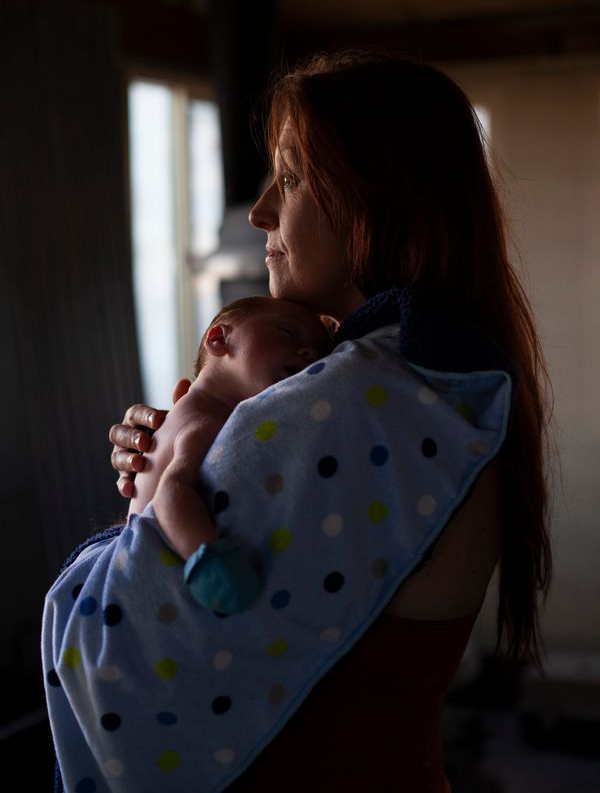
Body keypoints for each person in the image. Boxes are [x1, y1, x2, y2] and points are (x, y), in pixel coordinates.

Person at [44, 49, 552, 793]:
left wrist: (126, 535)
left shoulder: (376, 398)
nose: (259, 214)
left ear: (376, 196)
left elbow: (130, 635)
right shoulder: (417, 385)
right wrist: (173, 458)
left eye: (289, 179)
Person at [129, 294, 331, 614]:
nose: (309, 353)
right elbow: (171, 492)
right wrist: (210, 560)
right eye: (287, 333)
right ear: (219, 339)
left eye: (319, 353)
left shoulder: (190, 407)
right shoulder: (206, 420)